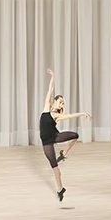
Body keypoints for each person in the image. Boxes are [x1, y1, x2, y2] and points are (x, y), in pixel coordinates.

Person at [39, 69, 87, 203]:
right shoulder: (46, 107)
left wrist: (82, 113)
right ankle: (60, 190)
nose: (61, 104)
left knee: (75, 135)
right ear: (54, 101)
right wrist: (53, 77)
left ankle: (63, 153)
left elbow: (70, 115)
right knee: (56, 169)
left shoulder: (58, 116)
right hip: (47, 143)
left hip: (55, 136)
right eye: (60, 102)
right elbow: (50, 90)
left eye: (63, 103)